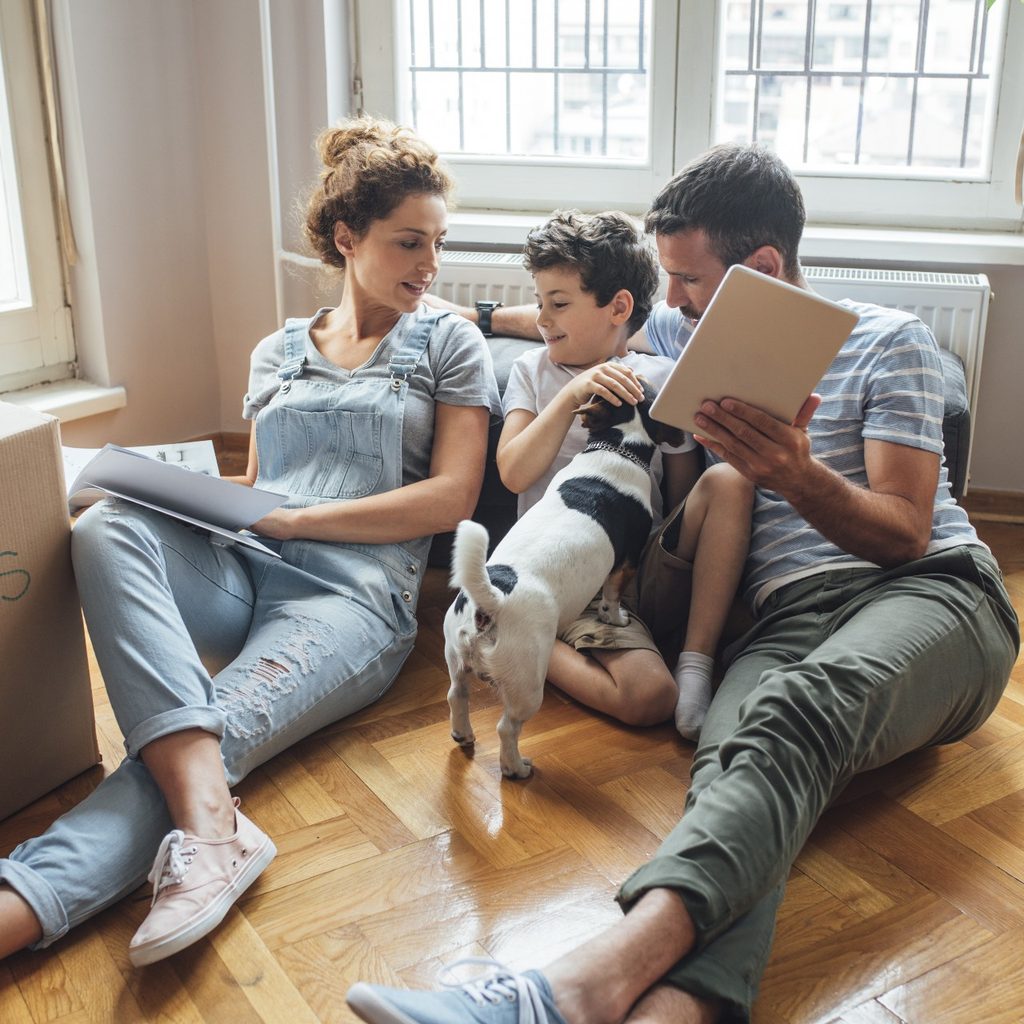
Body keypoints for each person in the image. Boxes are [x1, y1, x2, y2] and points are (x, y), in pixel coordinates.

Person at [345, 144, 1020, 1024]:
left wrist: (797, 474)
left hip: (932, 597)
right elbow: (571, 321)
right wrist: (462, 311)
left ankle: (566, 992)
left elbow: (904, 533)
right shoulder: (676, 333)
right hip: (780, 621)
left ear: (764, 269)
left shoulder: (892, 342)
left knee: (791, 713)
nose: (671, 305)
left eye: (689, 282)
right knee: (731, 775)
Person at [0, 115, 499, 967]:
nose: (430, 265)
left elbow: (451, 499)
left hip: (350, 600)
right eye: (409, 242)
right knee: (108, 526)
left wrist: (296, 521)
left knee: (204, 738)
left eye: (438, 244)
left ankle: (20, 901)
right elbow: (260, 487)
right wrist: (184, 494)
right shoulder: (276, 353)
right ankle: (213, 831)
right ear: (348, 239)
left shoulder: (450, 342)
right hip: (246, 570)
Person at [498, 209, 752, 733]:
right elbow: (514, 473)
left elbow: (680, 498)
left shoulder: (660, 377)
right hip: (567, 575)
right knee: (649, 699)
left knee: (730, 481)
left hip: (640, 569)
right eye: (540, 301)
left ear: (619, 307)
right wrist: (573, 391)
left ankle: (697, 661)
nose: (542, 319)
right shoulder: (533, 374)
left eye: (559, 304)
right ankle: (508, 633)